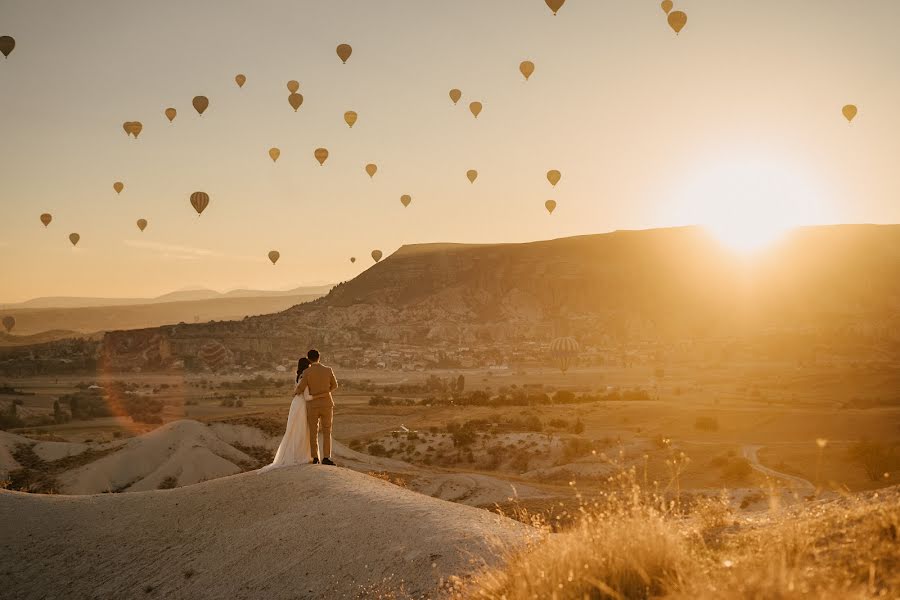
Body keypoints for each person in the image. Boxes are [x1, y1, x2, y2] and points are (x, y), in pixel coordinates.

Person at [259, 358, 313, 472]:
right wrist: (319, 396)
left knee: (293, 430)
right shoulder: (305, 377)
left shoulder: (298, 376)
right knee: (301, 430)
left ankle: (294, 455)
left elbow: (297, 391)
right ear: (306, 366)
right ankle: (301, 455)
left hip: (295, 404)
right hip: (302, 406)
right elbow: (307, 396)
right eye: (309, 366)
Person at [294, 349, 338, 465]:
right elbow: (335, 385)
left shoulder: (307, 372)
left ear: (308, 359)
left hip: (312, 406)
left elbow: (301, 387)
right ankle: (326, 457)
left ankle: (315, 457)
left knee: (313, 432)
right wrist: (324, 393)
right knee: (327, 431)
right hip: (326, 404)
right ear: (319, 357)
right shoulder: (328, 370)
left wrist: (295, 392)